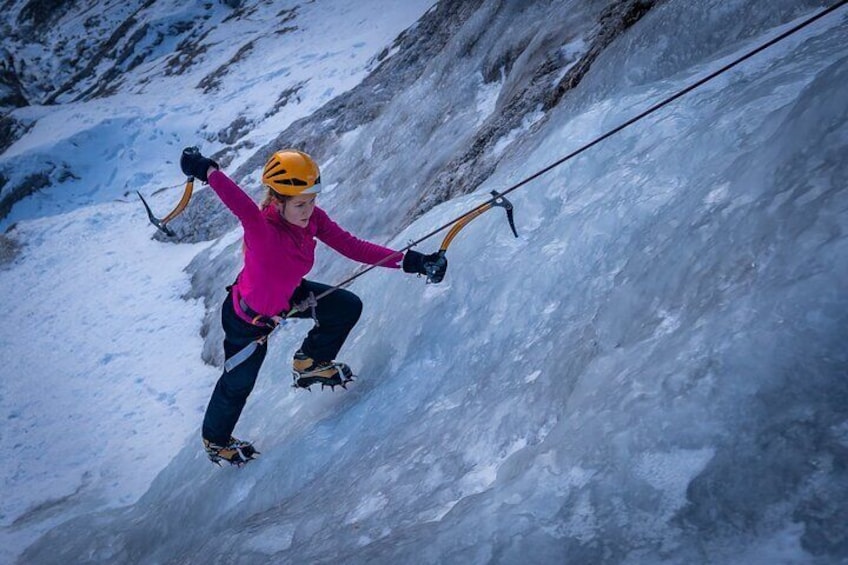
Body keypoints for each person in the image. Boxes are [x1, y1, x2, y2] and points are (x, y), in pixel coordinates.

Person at [179, 147, 447, 466]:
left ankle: (310, 362)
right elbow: (237, 200)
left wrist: (412, 261)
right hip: (246, 320)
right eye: (300, 204)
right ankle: (215, 440)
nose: (309, 210)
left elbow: (352, 246)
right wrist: (203, 168)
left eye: (312, 201)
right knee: (238, 385)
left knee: (345, 307)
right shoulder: (262, 229)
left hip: (288, 295)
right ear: (278, 202)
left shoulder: (312, 220)